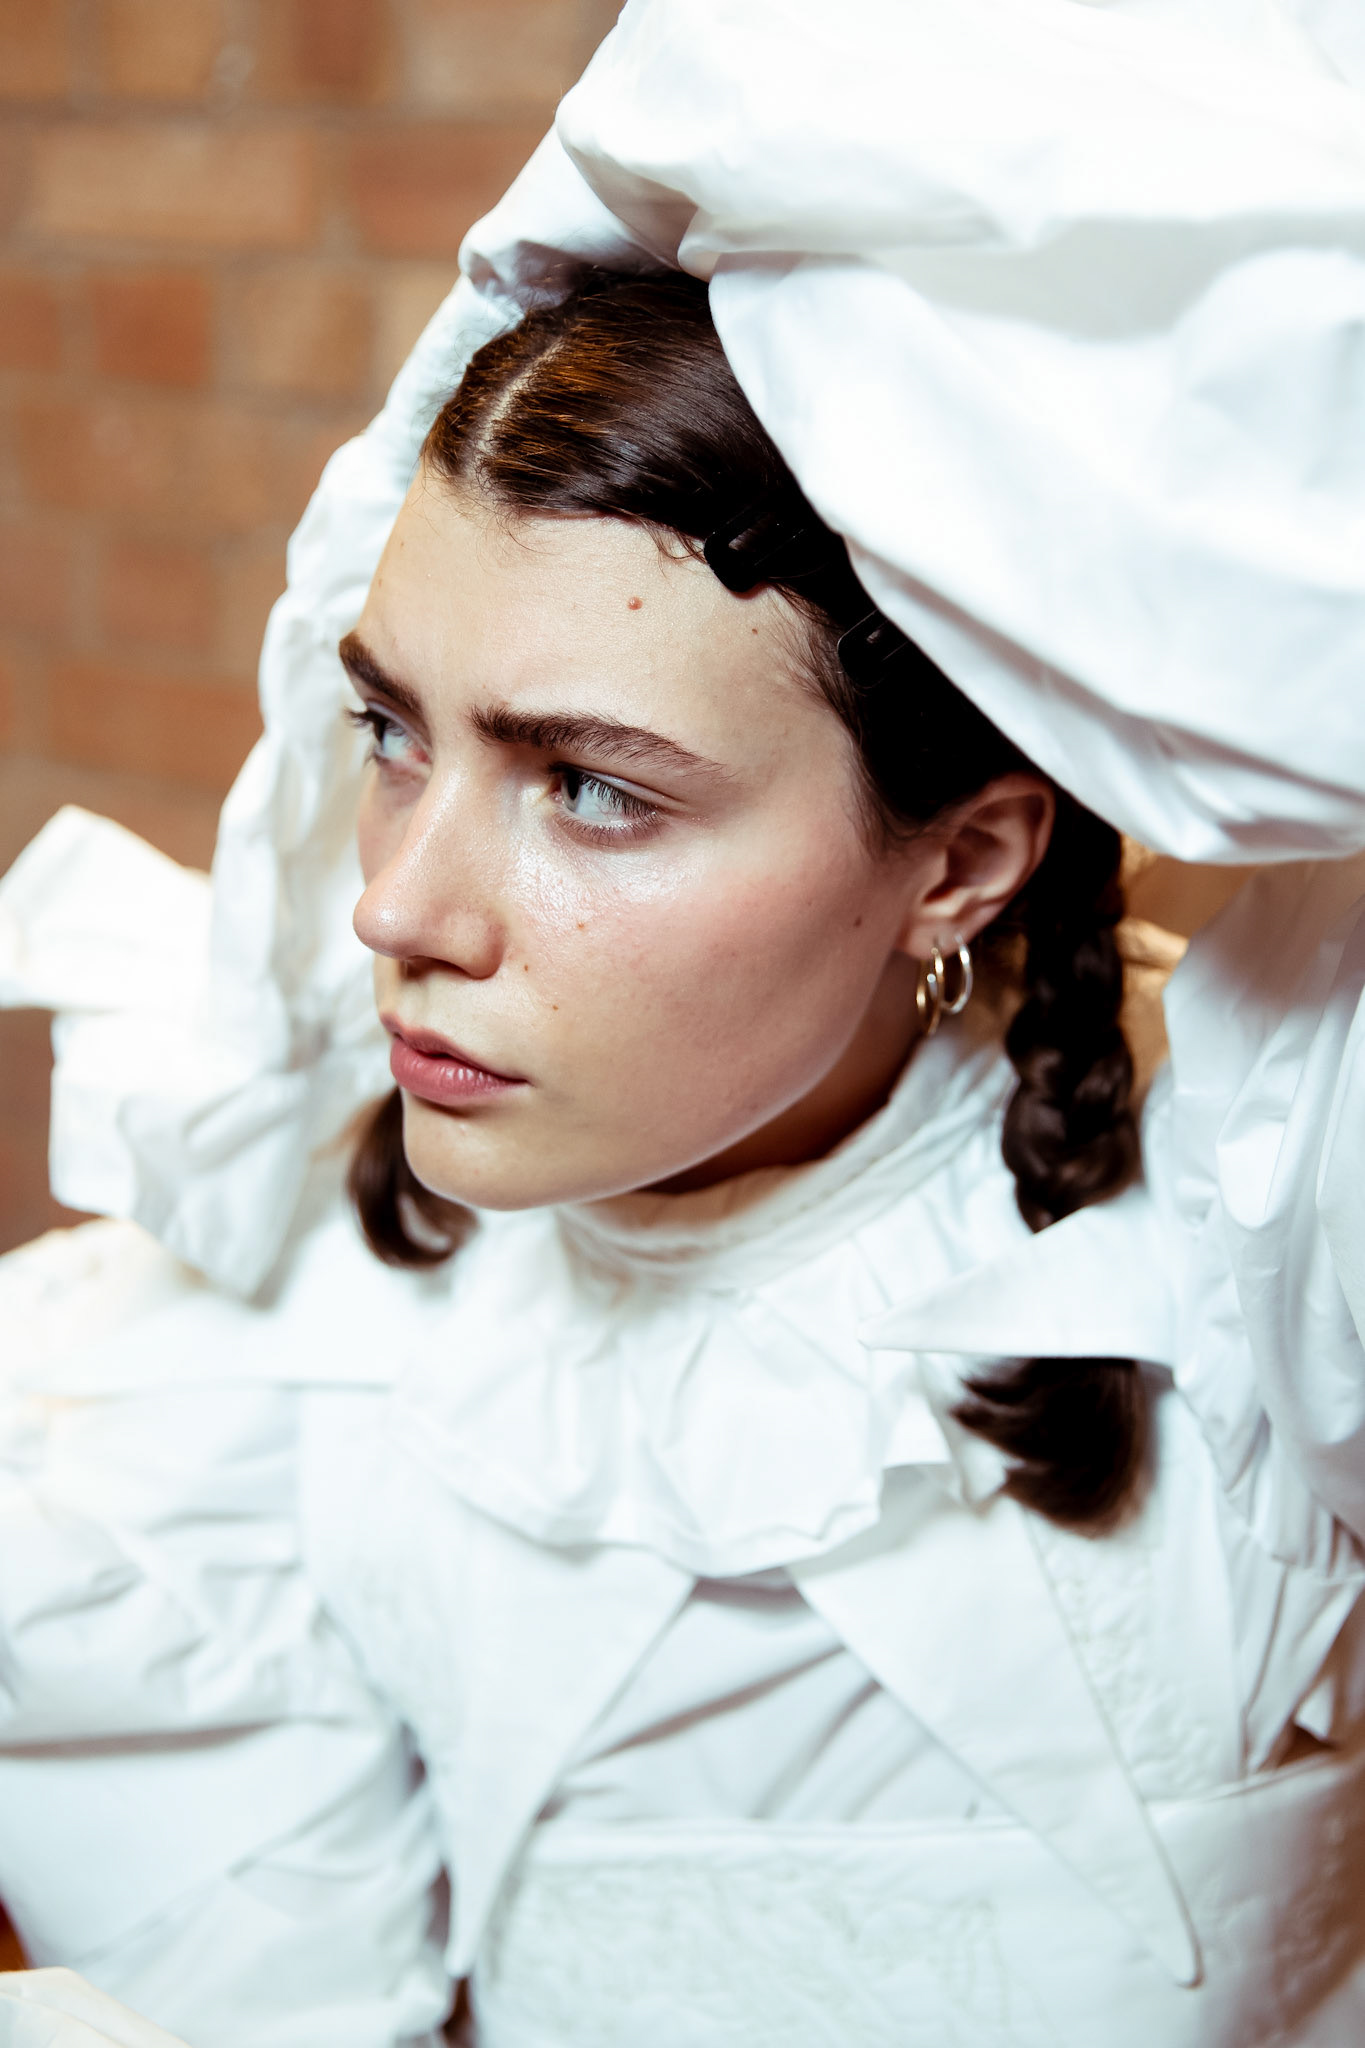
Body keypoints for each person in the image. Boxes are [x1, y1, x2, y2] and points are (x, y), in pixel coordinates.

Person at [3, 4, 1365, 2045]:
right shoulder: (299, 1323)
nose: (397, 908)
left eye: (590, 789)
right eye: (393, 733)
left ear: (960, 860)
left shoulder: (1256, 1285)